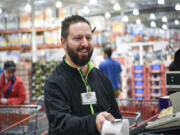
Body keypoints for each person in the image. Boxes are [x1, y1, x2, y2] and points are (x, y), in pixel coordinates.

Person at [44, 15, 121, 135]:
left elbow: (115, 116)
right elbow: (60, 124)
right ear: (63, 43)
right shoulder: (55, 82)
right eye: (78, 38)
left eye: (89, 38)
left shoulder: (102, 78)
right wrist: (93, 121)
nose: (85, 43)